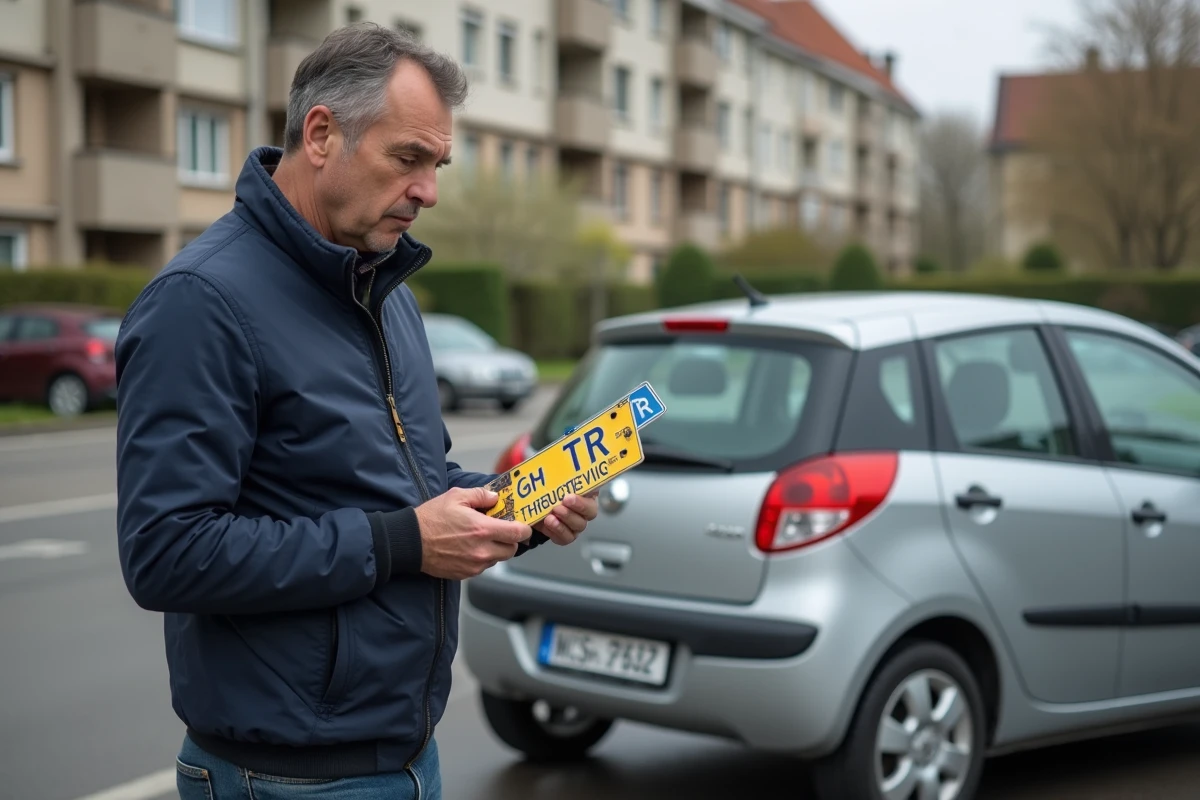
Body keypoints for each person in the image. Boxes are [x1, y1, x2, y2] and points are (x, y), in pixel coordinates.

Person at [113, 23, 597, 800]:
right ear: (321, 134)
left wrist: (520, 506)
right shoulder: (201, 302)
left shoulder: (382, 289)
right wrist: (405, 541)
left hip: (405, 753)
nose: (429, 191)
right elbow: (167, 551)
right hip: (286, 777)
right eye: (408, 158)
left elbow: (413, 480)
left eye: (437, 165)